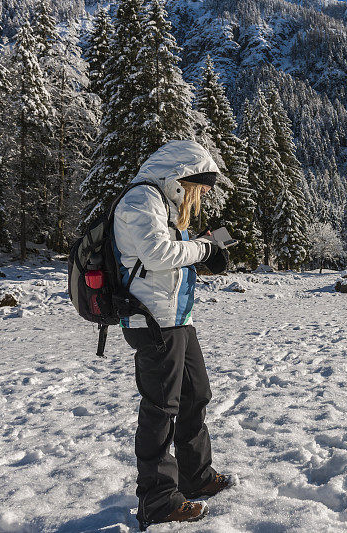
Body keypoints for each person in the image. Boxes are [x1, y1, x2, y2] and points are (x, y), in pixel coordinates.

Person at [113, 140, 233, 530]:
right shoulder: (140, 199)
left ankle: (194, 475)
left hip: (177, 317)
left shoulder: (162, 204)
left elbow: (168, 258)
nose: (199, 195)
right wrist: (203, 249)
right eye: (198, 186)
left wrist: (207, 252)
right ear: (181, 174)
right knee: (160, 409)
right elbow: (157, 256)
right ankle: (158, 499)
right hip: (152, 322)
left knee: (196, 395)